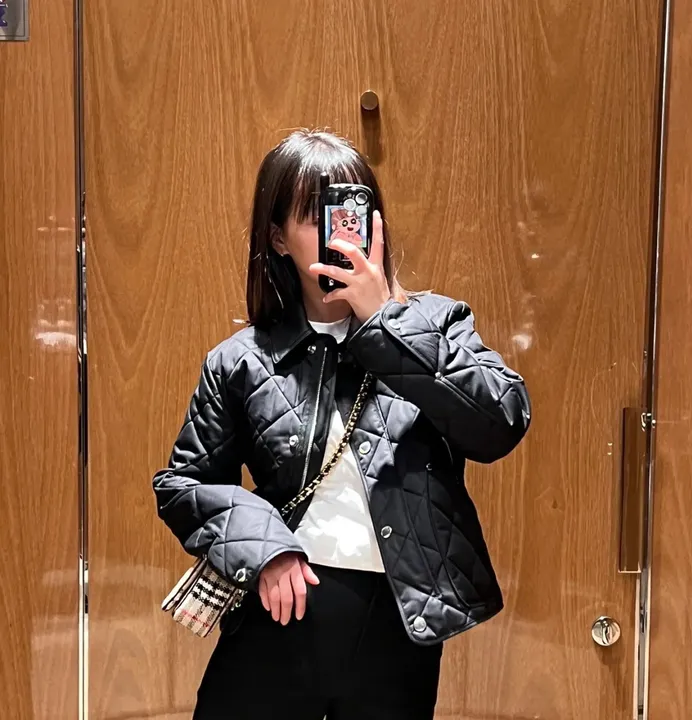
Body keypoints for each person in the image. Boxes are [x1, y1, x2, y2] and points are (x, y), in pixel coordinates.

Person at [153, 129, 531, 719]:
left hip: (397, 620)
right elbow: (183, 483)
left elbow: (500, 422)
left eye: (352, 212)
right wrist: (264, 546)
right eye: (316, 216)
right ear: (277, 238)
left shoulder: (435, 324)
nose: (339, 233)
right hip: (282, 606)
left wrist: (387, 322)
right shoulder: (242, 359)